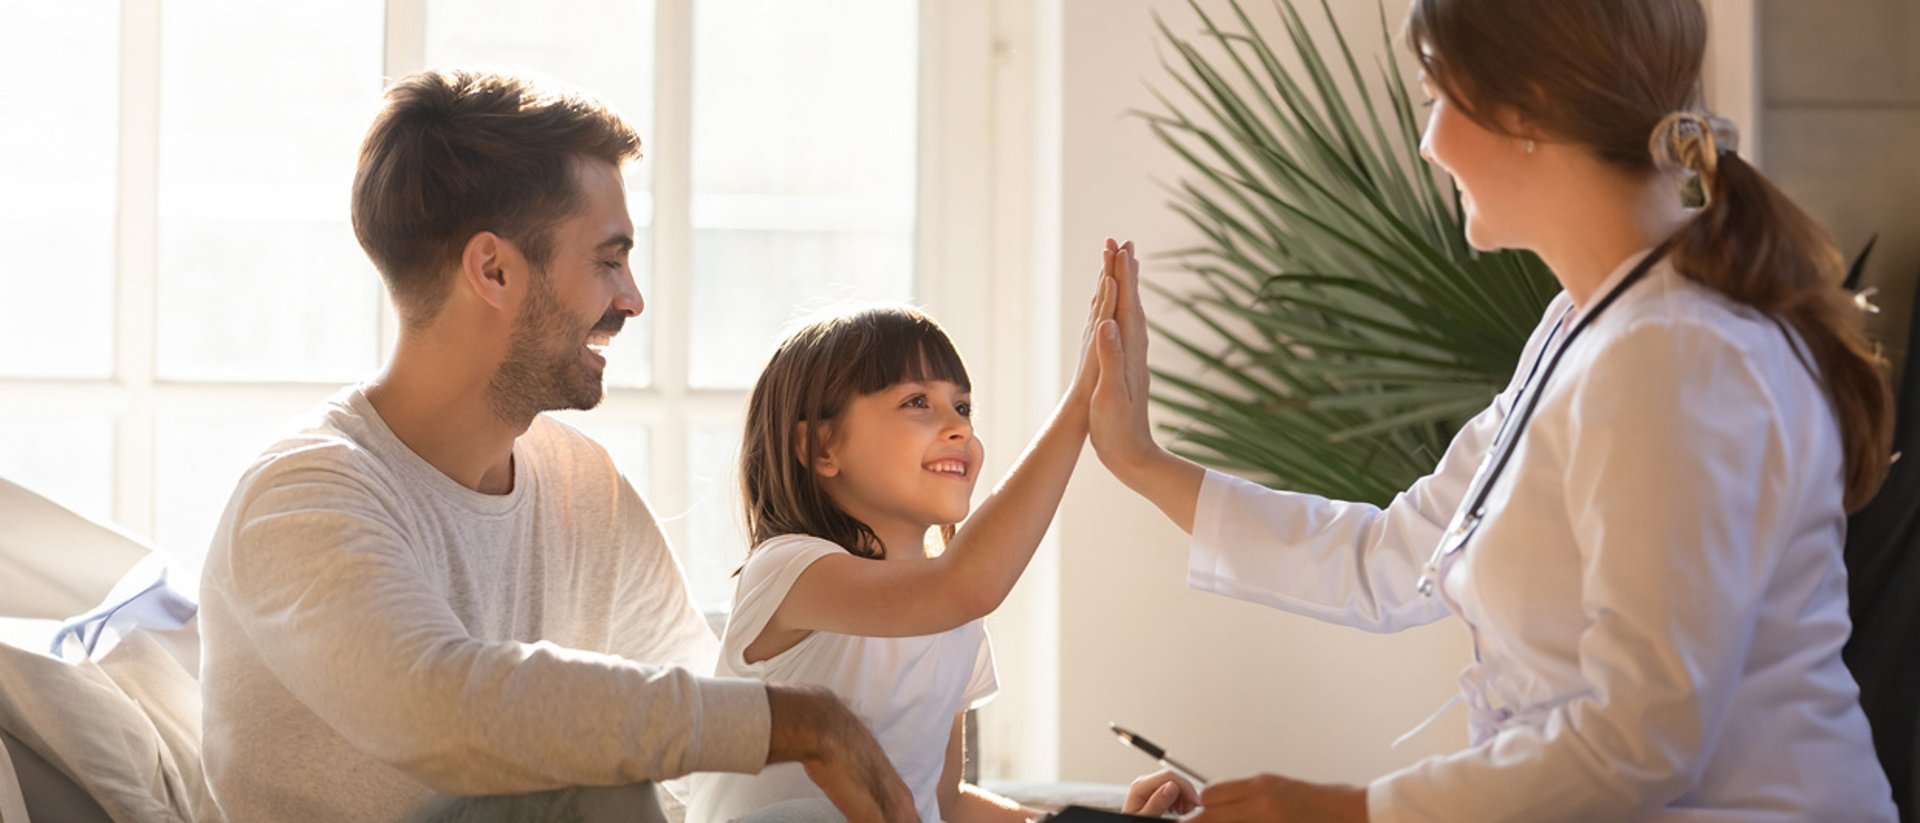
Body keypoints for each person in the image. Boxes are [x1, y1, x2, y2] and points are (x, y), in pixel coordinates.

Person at [1090, 0, 1898, 820]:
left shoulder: (1672, 354)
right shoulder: (1584, 325)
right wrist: (1139, 460)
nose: (1428, 141)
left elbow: (1640, 738)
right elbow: (1392, 558)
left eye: (1436, 97)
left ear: (1525, 109)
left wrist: (1353, 810)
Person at [198, 69, 915, 823]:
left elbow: (696, 733)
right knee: (589, 777)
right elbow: (443, 709)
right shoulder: (303, 495)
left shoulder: (579, 484)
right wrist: (803, 722)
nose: (632, 298)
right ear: (494, 269)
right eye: (608, 259)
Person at [687, 254, 1117, 822]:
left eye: (962, 406)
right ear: (822, 448)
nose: (959, 425)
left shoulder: (958, 612)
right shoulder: (790, 571)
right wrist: (1080, 405)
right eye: (917, 402)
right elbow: (963, 585)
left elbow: (946, 802)